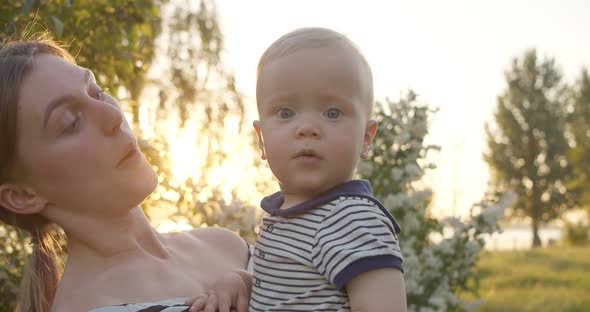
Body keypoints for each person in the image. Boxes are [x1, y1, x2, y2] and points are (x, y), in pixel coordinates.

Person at [0, 34, 251, 312]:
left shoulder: (226, 245)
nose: (113, 116)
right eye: (70, 122)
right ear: (22, 195)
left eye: (97, 92)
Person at [250, 27, 407, 311]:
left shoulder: (351, 219)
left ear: (366, 138)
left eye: (332, 113)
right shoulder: (285, 215)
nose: (307, 128)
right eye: (286, 113)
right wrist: (243, 281)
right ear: (261, 139)